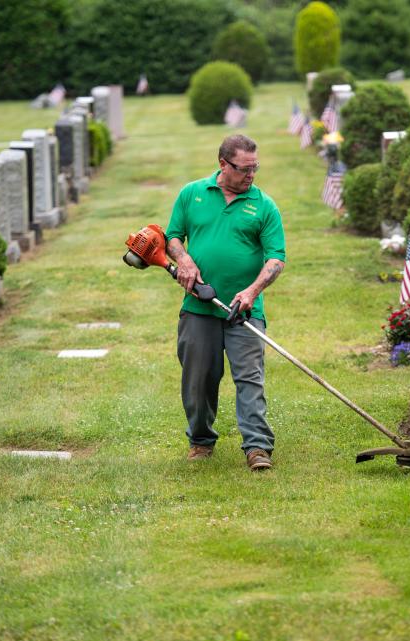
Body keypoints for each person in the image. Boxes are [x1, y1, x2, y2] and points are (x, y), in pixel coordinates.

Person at [165, 135, 286, 471]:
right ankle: (201, 440)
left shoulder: (263, 205)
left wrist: (252, 292)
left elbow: (276, 258)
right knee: (199, 378)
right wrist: (185, 260)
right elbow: (172, 236)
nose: (251, 175)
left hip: (243, 310)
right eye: (244, 169)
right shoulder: (192, 194)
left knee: (250, 378)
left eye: (255, 168)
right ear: (223, 164)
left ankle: (257, 447)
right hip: (199, 307)